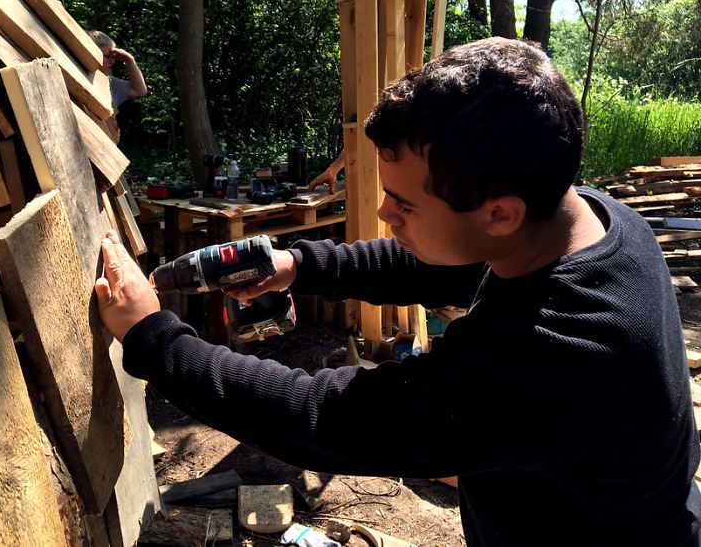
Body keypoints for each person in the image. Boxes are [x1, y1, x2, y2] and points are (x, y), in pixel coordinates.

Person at [94, 37, 701, 545]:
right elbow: (441, 264)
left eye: (405, 204)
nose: (384, 214)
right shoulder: (595, 221)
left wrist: (156, 339)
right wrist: (300, 265)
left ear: (499, 213)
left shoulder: (558, 352)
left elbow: (324, 417)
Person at [87, 30, 147, 142]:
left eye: (113, 57)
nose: (112, 62)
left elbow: (140, 91)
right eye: (108, 57)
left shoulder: (111, 83)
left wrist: (130, 61)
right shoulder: (75, 75)